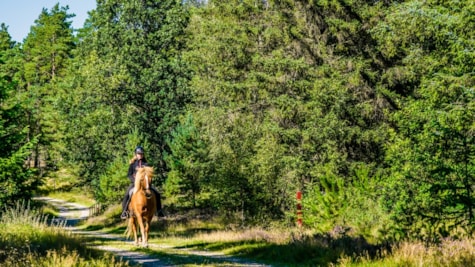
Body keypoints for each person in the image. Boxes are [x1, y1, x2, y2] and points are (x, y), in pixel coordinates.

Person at [120, 146, 162, 219]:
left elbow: (150, 175)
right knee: (127, 195)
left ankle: (159, 211)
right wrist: (135, 181)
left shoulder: (146, 164)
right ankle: (124, 212)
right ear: (136, 154)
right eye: (139, 154)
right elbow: (129, 175)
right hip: (135, 184)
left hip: (146, 184)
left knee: (157, 193)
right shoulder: (132, 164)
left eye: (141, 154)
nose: (140, 155)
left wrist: (148, 181)